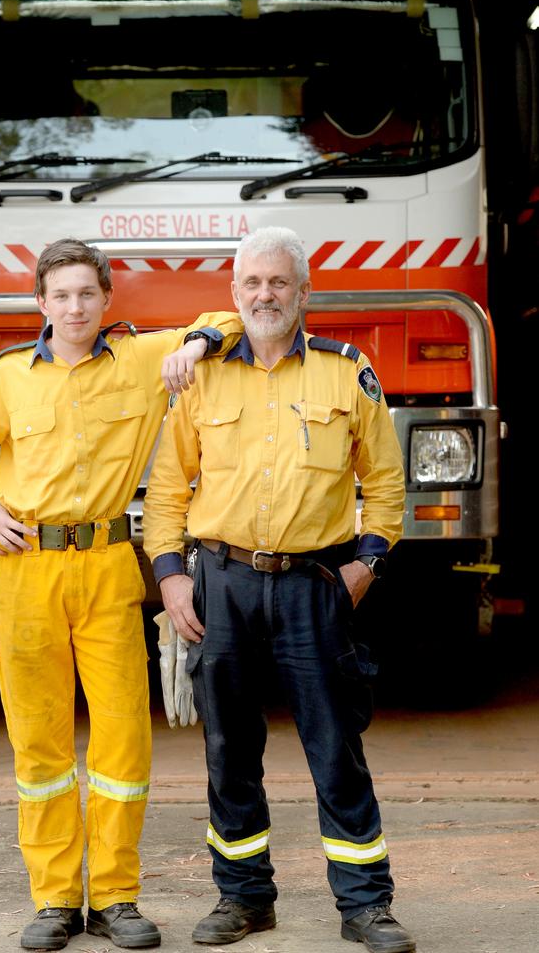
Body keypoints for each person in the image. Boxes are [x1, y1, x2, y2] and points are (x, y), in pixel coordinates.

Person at [0, 238, 242, 952]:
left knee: (123, 739)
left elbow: (232, 316)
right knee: (40, 744)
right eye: (60, 296)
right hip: (27, 571)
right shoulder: (6, 378)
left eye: (86, 295)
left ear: (105, 302)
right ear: (40, 303)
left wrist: (196, 344)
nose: (74, 307)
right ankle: (57, 898)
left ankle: (119, 898)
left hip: (104, 569)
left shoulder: (139, 361)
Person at [143, 226, 416, 952]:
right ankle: (243, 899)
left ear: (304, 292)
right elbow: (167, 490)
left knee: (335, 748)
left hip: (313, 586)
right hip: (221, 584)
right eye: (252, 284)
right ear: (235, 295)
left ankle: (366, 906)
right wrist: (172, 579)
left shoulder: (346, 372)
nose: (266, 295)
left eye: (279, 283)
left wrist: (365, 566)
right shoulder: (201, 375)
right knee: (229, 750)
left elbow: (386, 485)